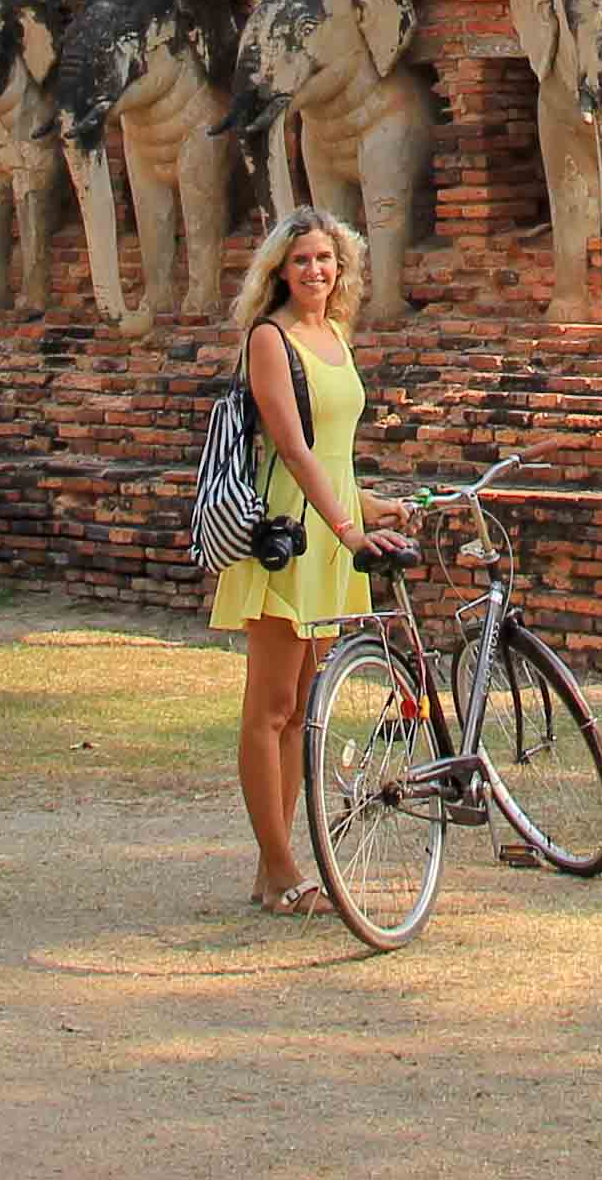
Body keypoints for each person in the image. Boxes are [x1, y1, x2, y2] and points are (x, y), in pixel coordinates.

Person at [214, 205, 378, 914]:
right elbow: (291, 447)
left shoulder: (335, 334)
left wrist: (370, 507)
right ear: (280, 268)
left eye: (326, 258)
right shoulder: (270, 340)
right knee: (271, 706)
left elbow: (335, 451)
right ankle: (283, 867)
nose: (316, 269)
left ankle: (273, 866)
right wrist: (344, 525)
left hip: (335, 532)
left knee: (304, 709)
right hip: (291, 536)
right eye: (303, 258)